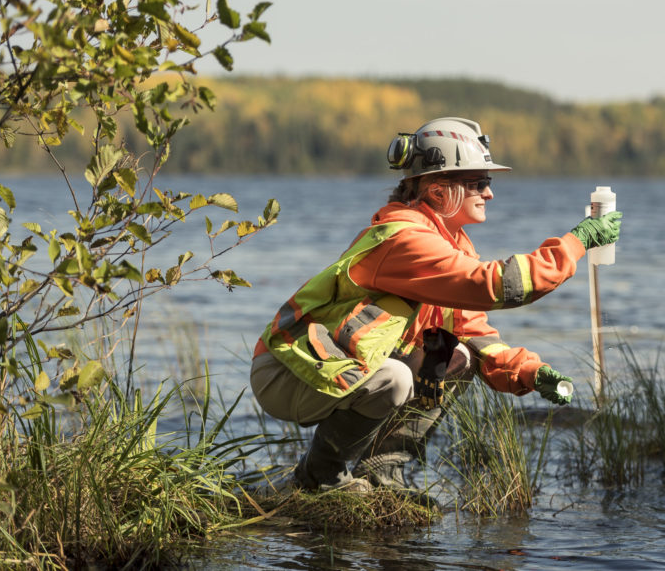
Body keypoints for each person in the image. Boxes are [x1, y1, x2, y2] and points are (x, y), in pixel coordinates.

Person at [250, 117, 622, 494]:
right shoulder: (405, 240)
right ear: (438, 190)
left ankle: (382, 471)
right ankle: (319, 475)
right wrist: (575, 244)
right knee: (396, 379)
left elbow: (476, 336)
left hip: (330, 366)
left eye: (487, 183)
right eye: (479, 183)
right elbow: (495, 286)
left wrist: (531, 372)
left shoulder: (449, 246)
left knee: (455, 357)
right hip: (285, 372)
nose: (489, 194)